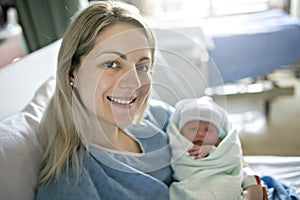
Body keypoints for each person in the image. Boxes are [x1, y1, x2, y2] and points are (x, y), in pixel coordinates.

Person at [35, 1, 266, 199]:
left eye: (142, 66)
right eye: (112, 64)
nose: (134, 82)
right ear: (72, 71)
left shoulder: (156, 117)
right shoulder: (72, 185)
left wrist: (250, 181)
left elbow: (225, 144)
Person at [167, 96, 244, 199]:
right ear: (180, 132)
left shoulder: (222, 145)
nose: (200, 133)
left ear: (218, 134)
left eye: (208, 130)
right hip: (189, 183)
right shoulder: (178, 144)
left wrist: (211, 149)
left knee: (224, 188)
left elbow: (230, 155)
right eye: (193, 128)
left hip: (220, 179)